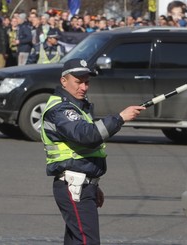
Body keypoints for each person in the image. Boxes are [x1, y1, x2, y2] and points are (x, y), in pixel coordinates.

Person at [40, 58, 145, 244]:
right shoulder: (61, 108)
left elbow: (82, 152)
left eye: (87, 82)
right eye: (78, 82)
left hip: (80, 185)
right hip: (74, 186)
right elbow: (86, 136)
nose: (84, 87)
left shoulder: (77, 107)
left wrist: (93, 184)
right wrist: (120, 118)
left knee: (77, 240)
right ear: (64, 81)